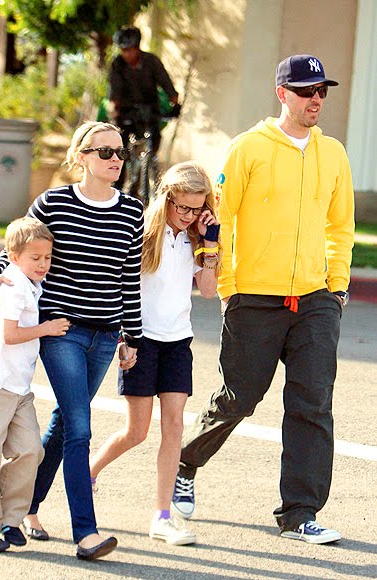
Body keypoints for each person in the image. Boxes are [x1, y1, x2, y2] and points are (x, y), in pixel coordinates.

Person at [172, 54, 355, 544]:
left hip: (315, 298)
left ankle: (299, 513)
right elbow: (222, 218)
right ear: (282, 94)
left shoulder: (333, 153)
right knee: (240, 398)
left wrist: (336, 285)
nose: (316, 99)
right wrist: (229, 285)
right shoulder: (247, 148)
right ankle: (185, 462)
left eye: (321, 91)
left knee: (313, 403)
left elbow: (340, 226)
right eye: (306, 91)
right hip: (254, 297)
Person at [0, 121, 144, 560]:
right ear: (82, 157)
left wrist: (131, 336)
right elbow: (17, 246)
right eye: (105, 152)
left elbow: (129, 280)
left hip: (106, 336)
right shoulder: (53, 203)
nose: (115, 159)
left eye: (120, 152)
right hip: (63, 332)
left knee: (63, 423)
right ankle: (86, 534)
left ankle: (23, 508)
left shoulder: (132, 211)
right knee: (79, 426)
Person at [89, 161, 221, 545]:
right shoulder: (143, 232)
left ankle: (162, 517)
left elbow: (208, 290)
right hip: (141, 339)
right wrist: (123, 338)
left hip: (178, 341)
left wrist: (210, 243)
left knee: (174, 427)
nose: (189, 215)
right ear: (167, 199)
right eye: (183, 207)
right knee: (136, 431)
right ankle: (87, 474)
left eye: (197, 208)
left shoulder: (196, 237)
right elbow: (120, 285)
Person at [0, 217, 70, 553]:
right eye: (35, 258)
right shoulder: (11, 284)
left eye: (47, 257)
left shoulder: (32, 283)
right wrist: (48, 328)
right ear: (13, 256)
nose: (43, 264)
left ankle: (10, 520)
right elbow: (10, 335)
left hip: (19, 388)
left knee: (30, 450)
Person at [109, 25, 180, 192]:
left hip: (150, 110)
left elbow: (167, 84)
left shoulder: (151, 61)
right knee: (120, 147)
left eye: (130, 49)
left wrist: (175, 104)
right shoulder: (117, 64)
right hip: (126, 112)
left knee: (154, 140)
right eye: (123, 50)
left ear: (137, 47)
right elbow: (115, 92)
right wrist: (115, 112)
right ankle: (117, 188)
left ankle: (149, 168)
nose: (127, 54)